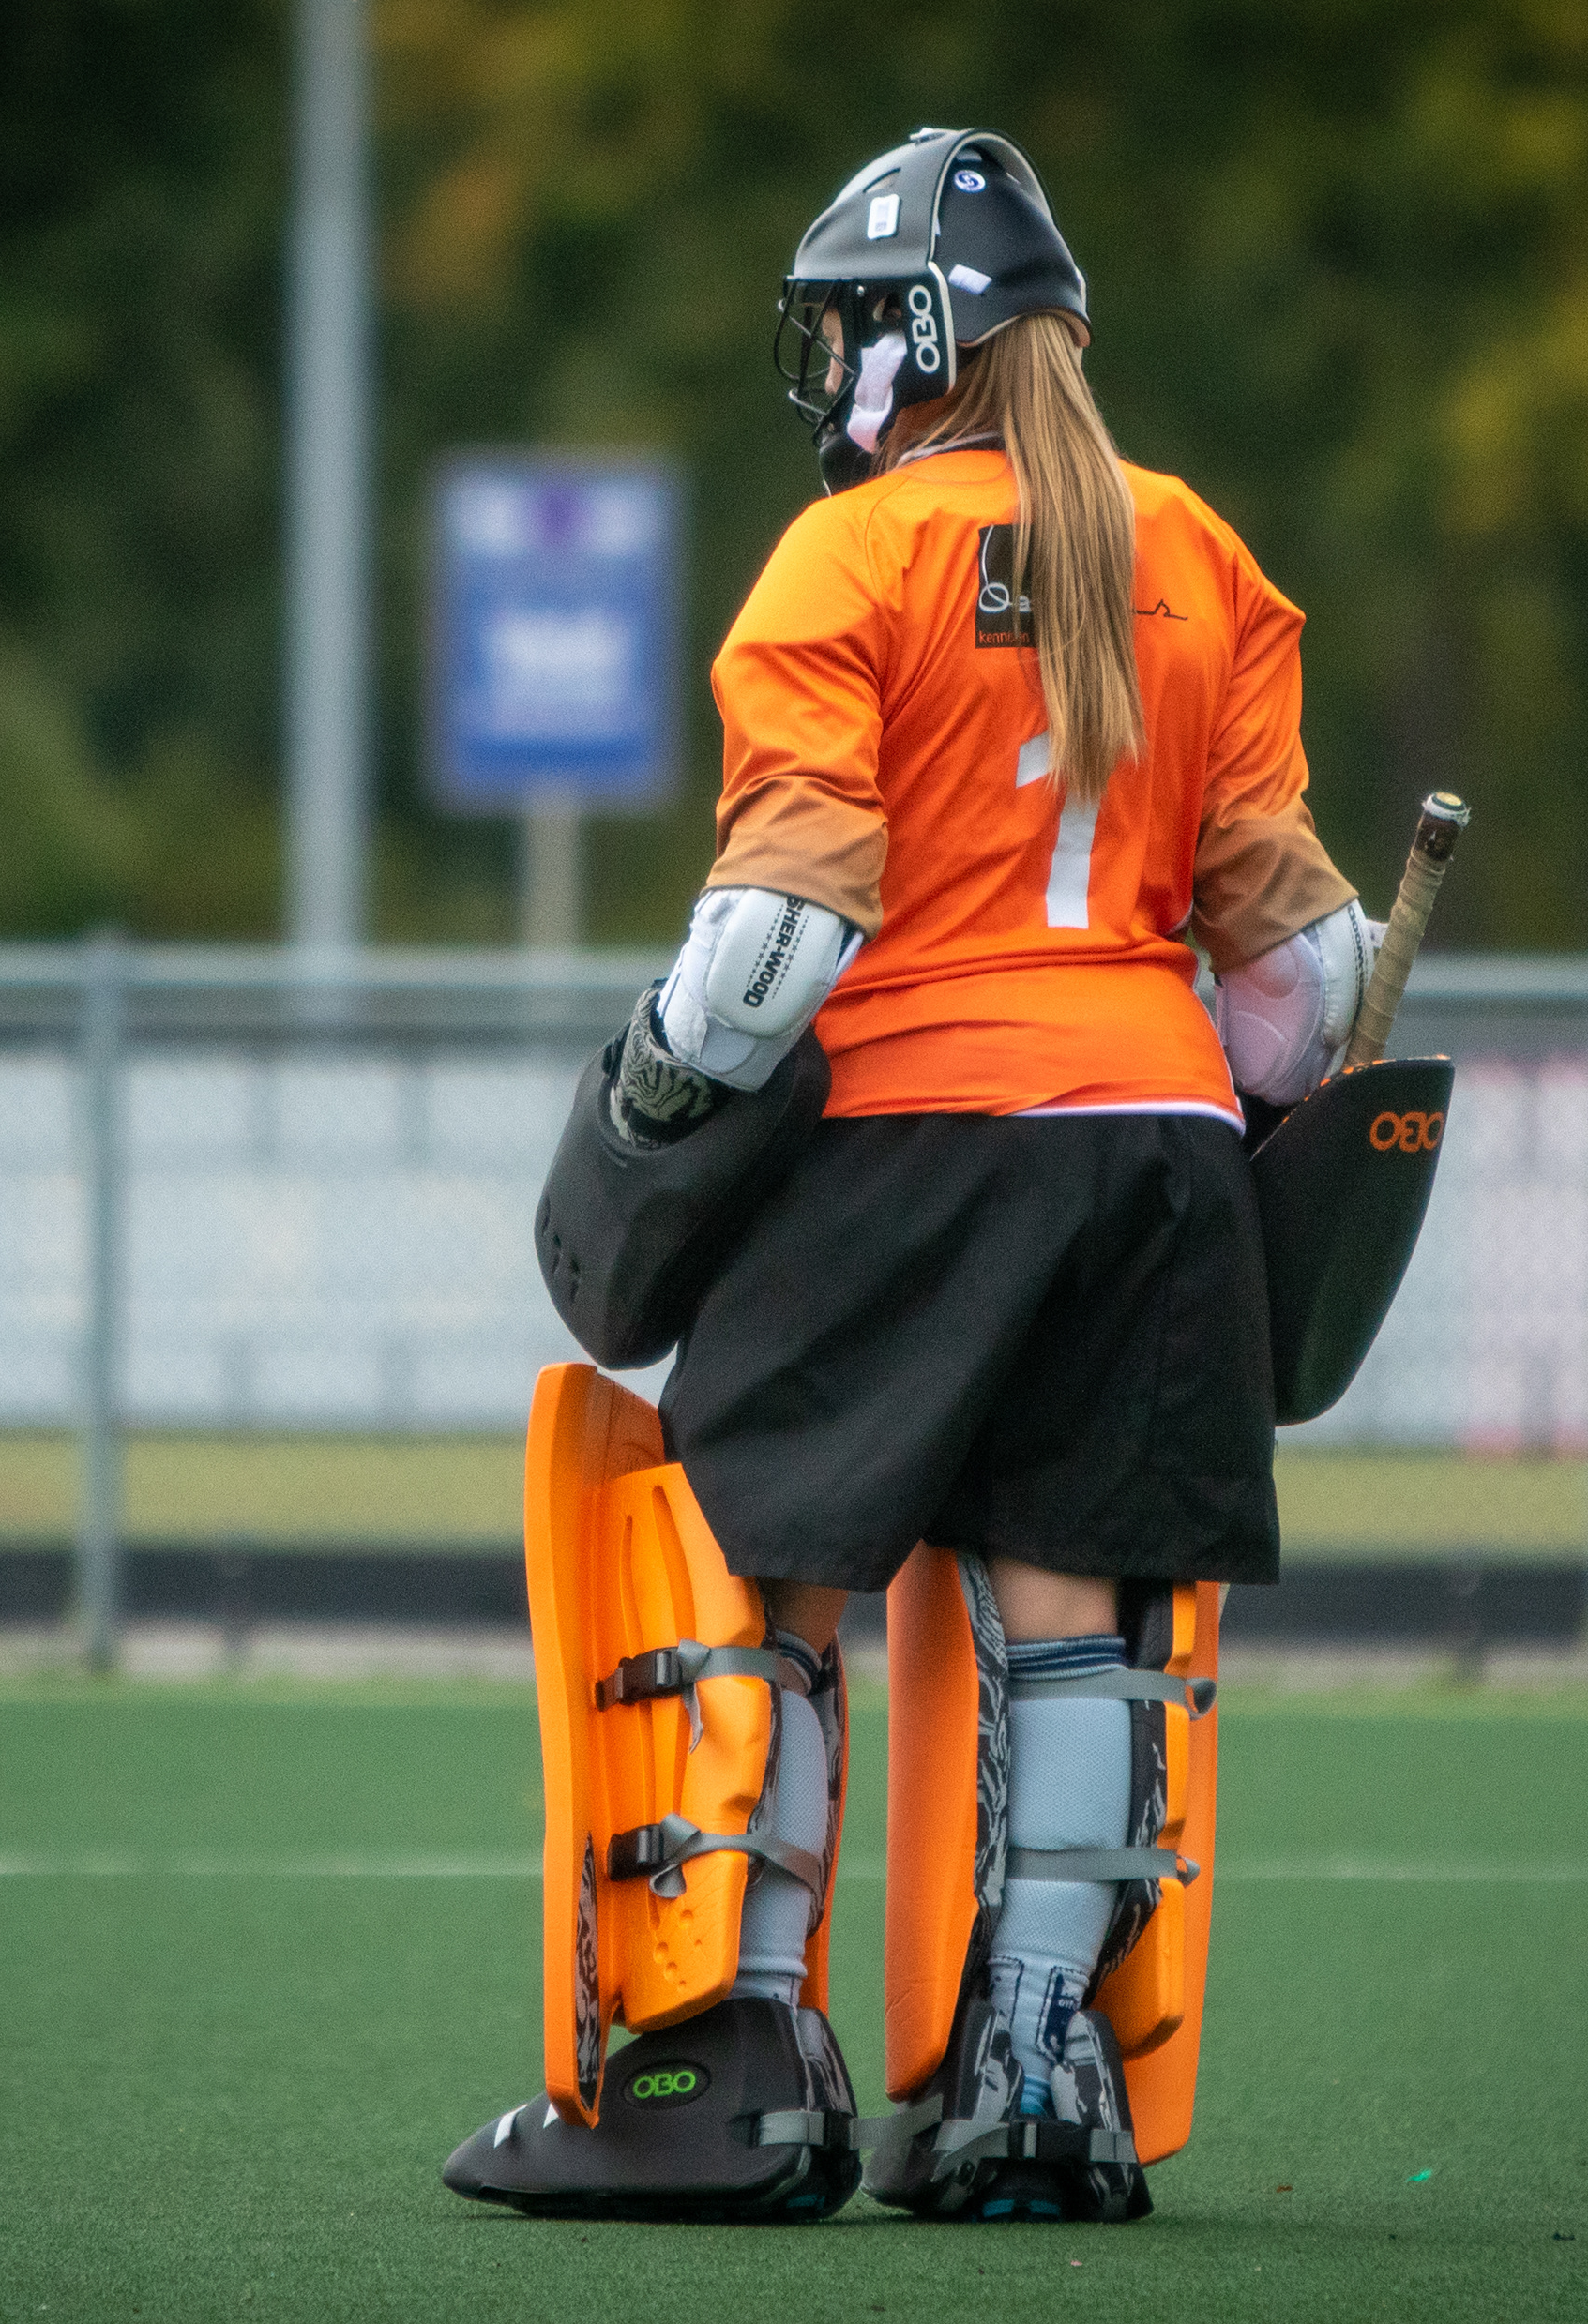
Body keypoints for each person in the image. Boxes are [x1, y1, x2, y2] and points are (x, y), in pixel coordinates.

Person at [446, 127, 1379, 2226]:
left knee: (760, 1555)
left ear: (920, 343)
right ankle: (1035, 2078)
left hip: (911, 1135)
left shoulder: (846, 557)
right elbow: (1303, 988)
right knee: (1075, 1601)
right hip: (1156, 1155)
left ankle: (730, 2060)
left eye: (850, 331)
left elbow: (777, 940)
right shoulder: (1197, 551)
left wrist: (653, 1101)